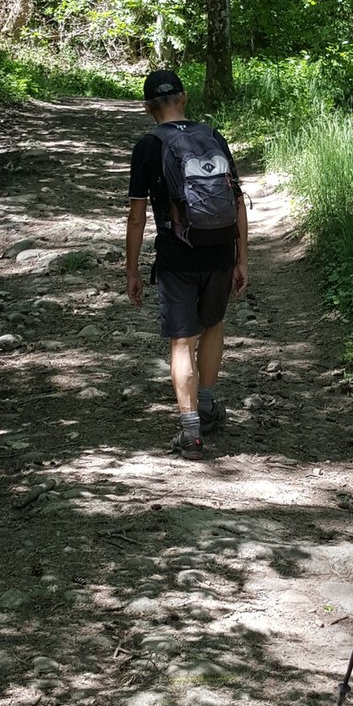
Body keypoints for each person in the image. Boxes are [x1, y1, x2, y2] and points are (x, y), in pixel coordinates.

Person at [125, 67, 248, 458]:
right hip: (220, 250)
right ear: (184, 98)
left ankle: (191, 432)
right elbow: (237, 201)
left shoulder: (147, 146)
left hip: (177, 255)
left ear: (148, 108)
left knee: (182, 340)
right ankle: (208, 404)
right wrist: (241, 258)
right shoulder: (212, 136)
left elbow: (137, 216)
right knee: (213, 326)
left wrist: (131, 270)